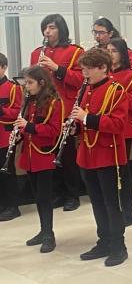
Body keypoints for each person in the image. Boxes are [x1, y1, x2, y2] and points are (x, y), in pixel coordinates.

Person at [72, 48, 129, 267]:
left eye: (88, 69)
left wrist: (87, 118)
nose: (84, 73)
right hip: (87, 154)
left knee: (111, 203)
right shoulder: (86, 89)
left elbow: (118, 124)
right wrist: (75, 127)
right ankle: (103, 241)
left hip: (108, 154)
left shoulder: (116, 90)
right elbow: (82, 123)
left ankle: (118, 246)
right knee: (96, 201)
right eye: (83, 69)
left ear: (103, 68)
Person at [31, 14, 85, 211]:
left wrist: (56, 68)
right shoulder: (37, 53)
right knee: (48, 154)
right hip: (44, 109)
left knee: (67, 154)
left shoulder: (75, 51)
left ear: (61, 29)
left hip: (65, 108)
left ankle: (73, 194)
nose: (47, 32)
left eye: (52, 27)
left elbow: (81, 80)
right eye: (45, 28)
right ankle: (57, 193)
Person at [15, 66, 63, 252]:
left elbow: (54, 130)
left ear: (42, 83)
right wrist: (19, 134)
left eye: (30, 83)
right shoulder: (30, 101)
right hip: (29, 155)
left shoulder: (53, 102)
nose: (27, 87)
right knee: (37, 196)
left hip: (44, 155)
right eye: (26, 83)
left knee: (44, 197)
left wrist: (29, 127)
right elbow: (24, 126)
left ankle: (49, 234)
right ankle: (43, 231)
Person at [107, 38, 132, 226]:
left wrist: (113, 94)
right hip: (105, 128)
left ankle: (129, 213)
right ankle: (114, 212)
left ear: (122, 54)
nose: (110, 54)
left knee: (123, 172)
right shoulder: (103, 75)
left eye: (113, 51)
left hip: (124, 128)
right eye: (107, 51)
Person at [0, 53, 24, 221]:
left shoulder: (13, 88)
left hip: (5, 136)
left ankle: (12, 206)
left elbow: (17, 112)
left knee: (7, 172)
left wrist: (1, 110)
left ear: (4, 67)